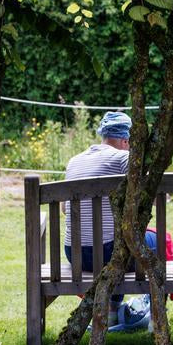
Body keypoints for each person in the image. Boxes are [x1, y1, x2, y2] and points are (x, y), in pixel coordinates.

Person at [63, 111, 138, 327]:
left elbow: (65, 210)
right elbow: (146, 201)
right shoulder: (123, 158)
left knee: (118, 241)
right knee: (156, 243)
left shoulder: (74, 161)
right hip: (105, 254)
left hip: (75, 255)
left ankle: (112, 310)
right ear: (125, 141)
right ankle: (153, 316)